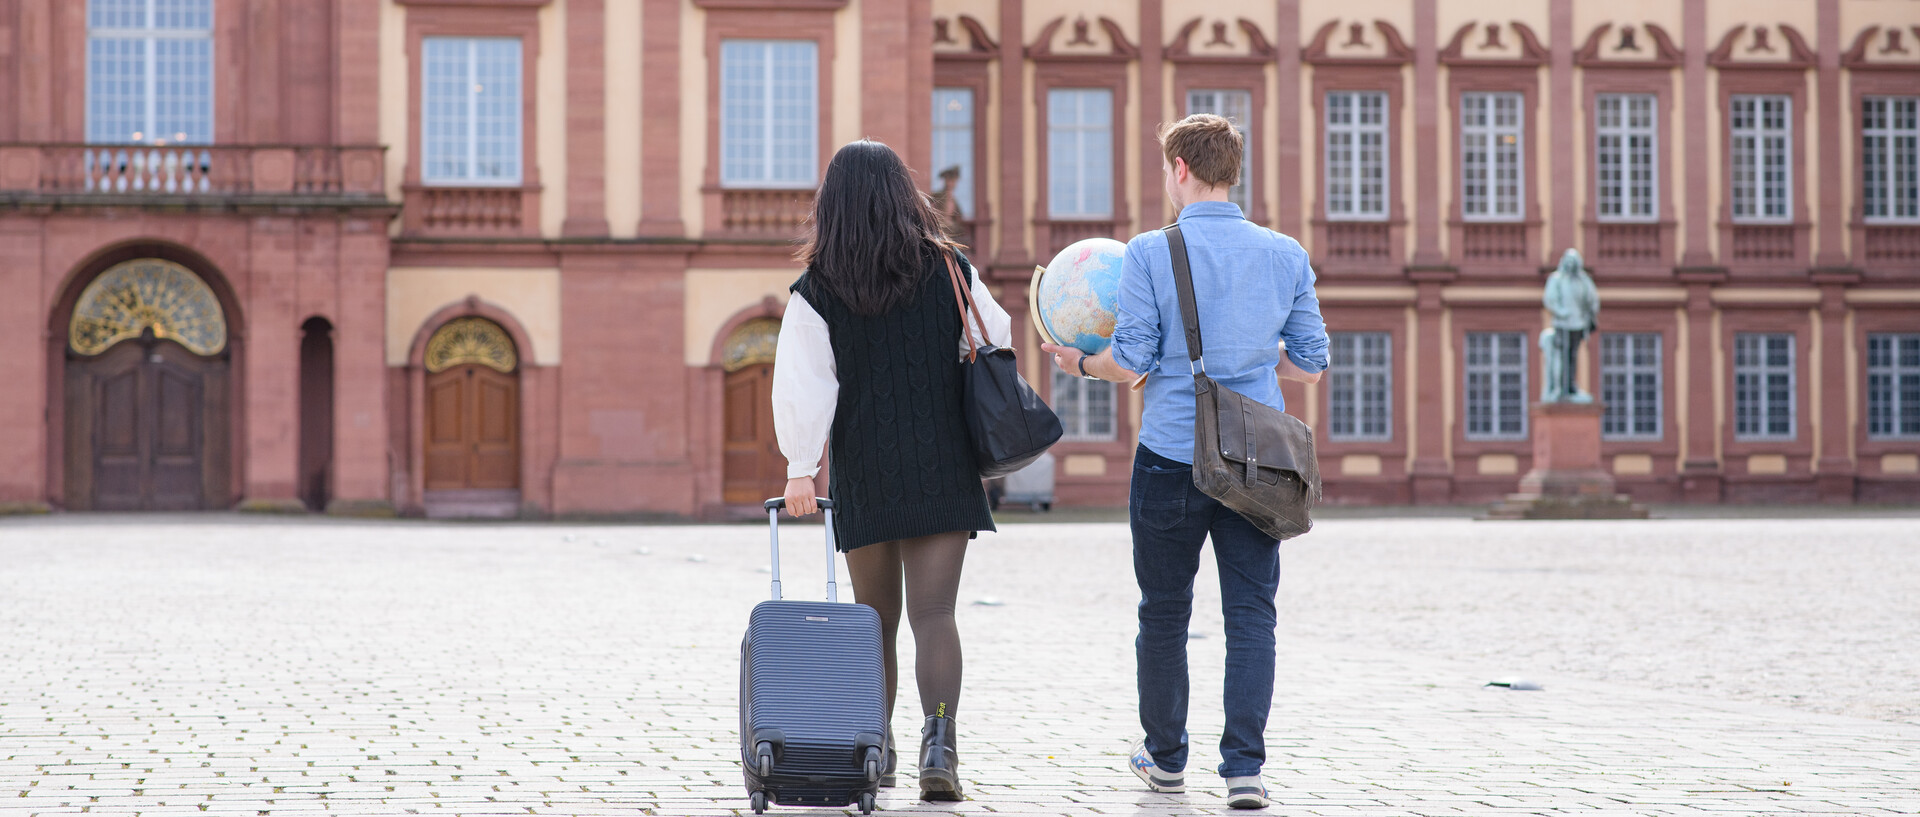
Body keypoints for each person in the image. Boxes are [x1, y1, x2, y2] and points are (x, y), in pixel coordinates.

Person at [1042, 113, 1328, 810]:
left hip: (1170, 454)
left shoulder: (1148, 251)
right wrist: (1251, 361)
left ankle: (1166, 760)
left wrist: (1079, 361)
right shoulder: (1286, 254)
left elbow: (1131, 358)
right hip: (1256, 462)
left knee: (1163, 613)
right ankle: (1244, 771)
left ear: (1178, 169)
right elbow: (1312, 364)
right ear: (1233, 171)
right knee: (1252, 615)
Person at [771, 139, 1012, 802]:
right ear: (905, 194)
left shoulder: (819, 286)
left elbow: (803, 382)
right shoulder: (949, 268)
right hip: (944, 467)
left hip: (867, 471)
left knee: (873, 618)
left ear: (835, 204)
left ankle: (874, 746)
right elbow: (996, 333)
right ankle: (942, 744)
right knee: (935, 612)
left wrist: (800, 468)